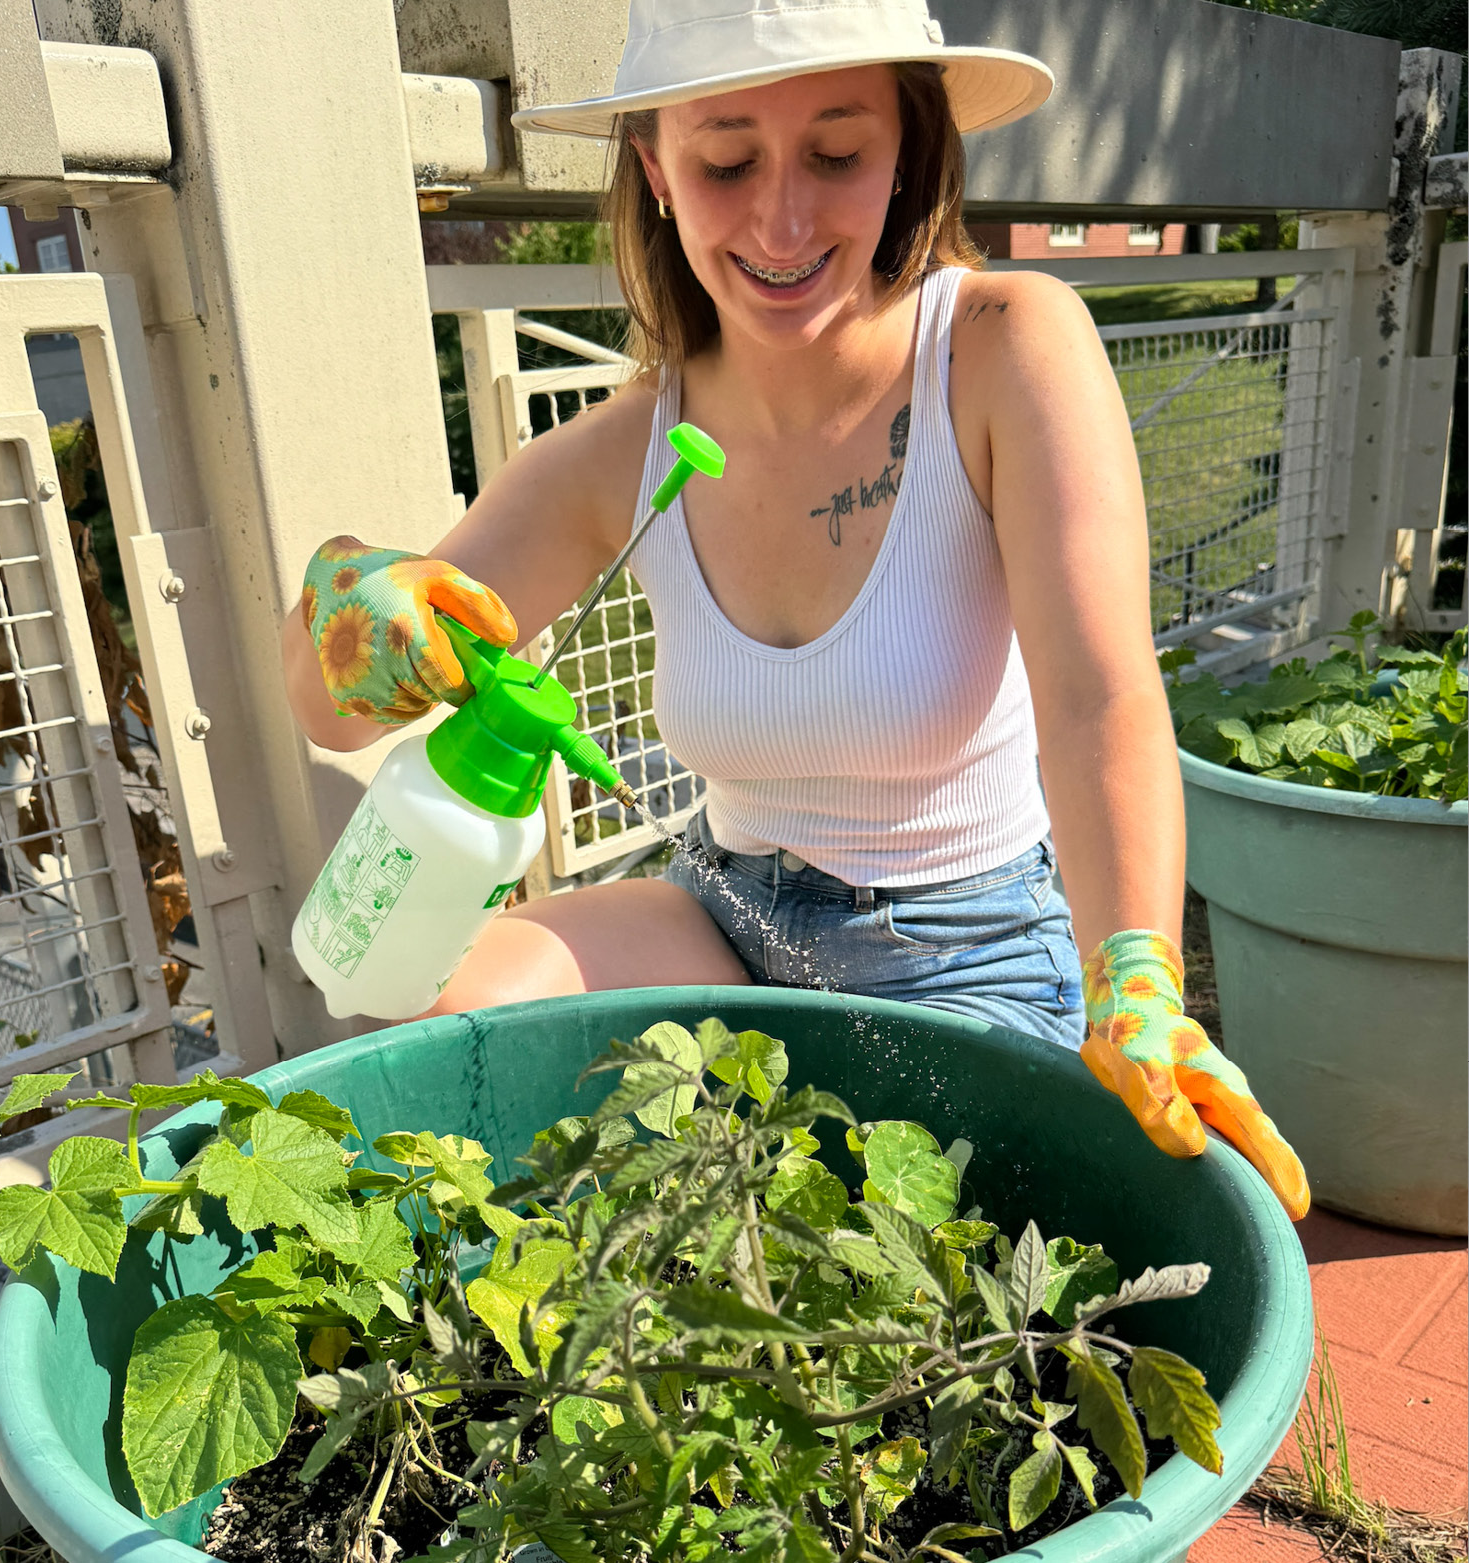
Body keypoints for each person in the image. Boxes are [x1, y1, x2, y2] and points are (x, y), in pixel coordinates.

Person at [282, 0, 1309, 1219]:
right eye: (725, 161)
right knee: (446, 1037)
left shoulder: (998, 348)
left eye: (835, 154)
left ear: (905, 157)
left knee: (929, 1290)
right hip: (725, 909)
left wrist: (1135, 975)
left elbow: (1095, 698)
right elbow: (327, 715)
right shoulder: (623, 453)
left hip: (966, 948)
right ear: (657, 170)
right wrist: (354, 611)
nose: (781, 218)